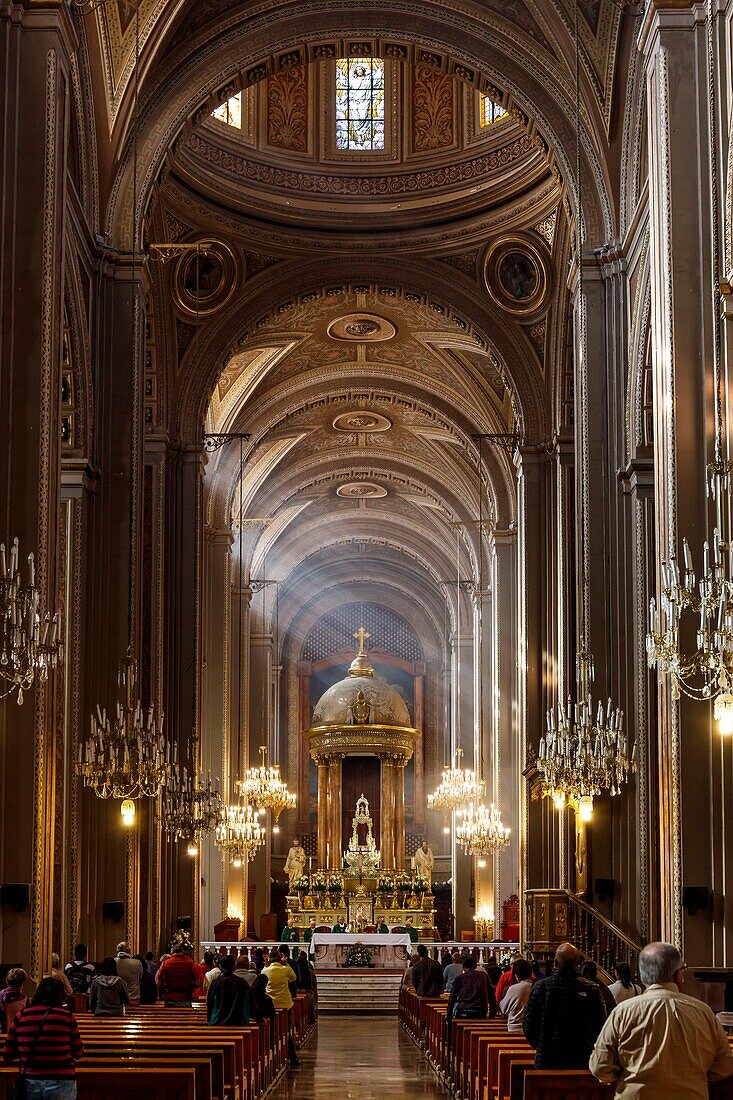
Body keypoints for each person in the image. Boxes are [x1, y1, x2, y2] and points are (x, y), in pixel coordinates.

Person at [590, 941, 733, 1098]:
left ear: (644, 975)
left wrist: (623, 1076)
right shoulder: (702, 1012)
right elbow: (725, 1065)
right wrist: (696, 1078)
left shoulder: (623, 1012)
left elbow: (600, 1066)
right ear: (678, 975)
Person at [523, 942, 606, 1069]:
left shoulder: (541, 987)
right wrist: (587, 1045)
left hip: (547, 1059)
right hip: (581, 1059)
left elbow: (529, 1026)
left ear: (555, 963)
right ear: (577, 964)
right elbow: (600, 1026)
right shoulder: (592, 989)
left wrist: (542, 1046)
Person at [3, 976, 84, 1098]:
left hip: (31, 1080)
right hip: (61, 1080)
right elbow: (78, 1052)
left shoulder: (22, 1016)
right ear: (60, 995)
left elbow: (7, 1052)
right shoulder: (66, 1017)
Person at [263, 948, 300, 1067]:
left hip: (270, 1005)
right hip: (284, 1004)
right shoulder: (285, 969)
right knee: (286, 1031)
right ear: (280, 959)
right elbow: (294, 977)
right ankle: (292, 1058)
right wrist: (286, 964)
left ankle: (271, 1058)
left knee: (271, 1030)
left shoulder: (265, 970)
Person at [447, 954, 496, 1020]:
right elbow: (491, 996)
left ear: (463, 966)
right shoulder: (484, 976)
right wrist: (492, 1015)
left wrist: (449, 1016)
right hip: (480, 1013)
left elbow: (452, 998)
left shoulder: (460, 978)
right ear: (476, 965)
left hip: (463, 1012)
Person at [207, 955, 250, 1026]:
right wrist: (258, 1018)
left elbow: (210, 1002)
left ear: (220, 967)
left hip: (217, 1022)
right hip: (237, 1022)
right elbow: (248, 1002)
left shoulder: (215, 983)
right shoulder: (242, 982)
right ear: (234, 967)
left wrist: (209, 1018)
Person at [499, 958, 533, 1032]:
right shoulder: (536, 986)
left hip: (515, 1027)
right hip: (531, 1028)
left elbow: (503, 1009)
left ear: (516, 975)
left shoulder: (513, 988)